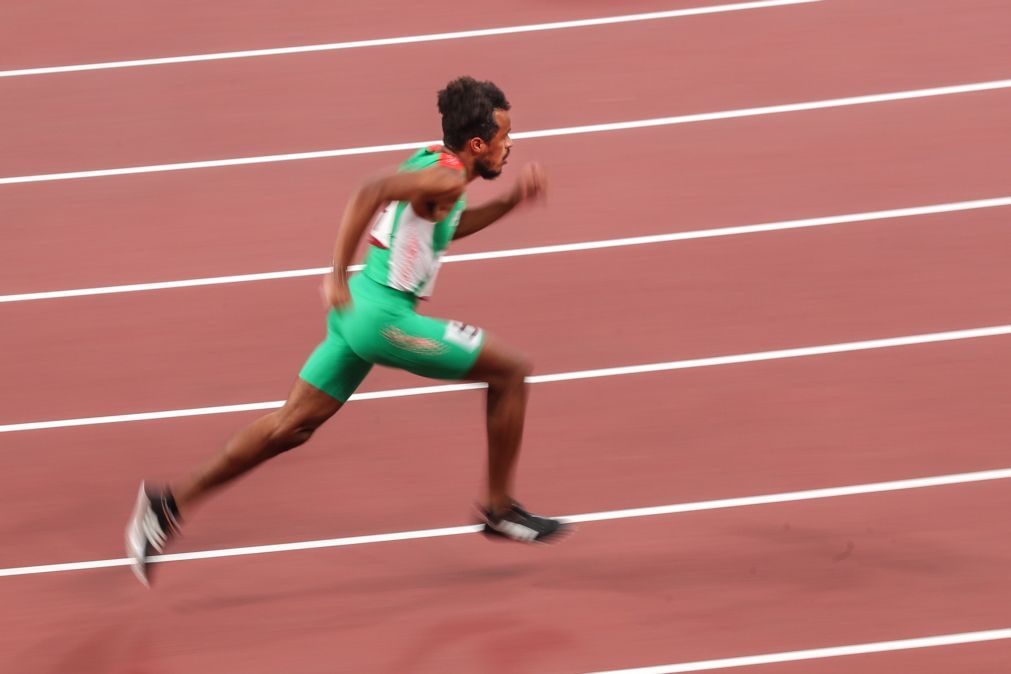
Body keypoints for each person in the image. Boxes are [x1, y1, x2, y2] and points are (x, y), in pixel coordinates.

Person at [125, 76, 566, 586]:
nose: (510, 146)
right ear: (476, 144)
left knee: (289, 427)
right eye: (505, 137)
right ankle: (498, 508)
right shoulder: (446, 181)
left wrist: (512, 202)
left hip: (359, 312)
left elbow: (449, 226)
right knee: (512, 374)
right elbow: (369, 190)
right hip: (384, 322)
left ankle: (164, 508)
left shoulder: (437, 165)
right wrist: (334, 271)